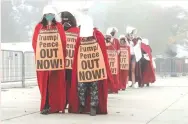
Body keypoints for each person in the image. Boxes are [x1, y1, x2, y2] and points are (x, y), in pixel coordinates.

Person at [68, 15, 114, 116]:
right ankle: (82, 104)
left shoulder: (98, 35)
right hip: (83, 69)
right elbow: (77, 53)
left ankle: (93, 106)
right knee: (81, 87)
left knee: (94, 88)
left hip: (95, 69)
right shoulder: (80, 38)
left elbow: (103, 53)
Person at [32, 5, 66, 114]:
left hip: (56, 62)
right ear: (44, 16)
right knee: (44, 85)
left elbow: (63, 42)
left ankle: (54, 106)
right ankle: (46, 105)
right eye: (47, 15)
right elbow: (35, 42)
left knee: (55, 84)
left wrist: (61, 56)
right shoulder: (39, 27)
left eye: (51, 15)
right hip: (44, 63)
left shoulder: (59, 26)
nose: (49, 16)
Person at [60, 11, 80, 108]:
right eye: (63, 20)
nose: (65, 23)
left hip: (73, 62)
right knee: (63, 82)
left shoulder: (77, 30)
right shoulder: (60, 30)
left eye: (67, 20)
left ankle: (71, 101)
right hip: (62, 62)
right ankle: (63, 101)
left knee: (72, 83)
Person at [105, 27, 120, 92]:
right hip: (108, 59)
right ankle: (108, 88)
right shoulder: (106, 39)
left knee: (114, 74)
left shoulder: (116, 40)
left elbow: (118, 49)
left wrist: (117, 52)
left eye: (114, 32)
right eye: (112, 32)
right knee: (108, 73)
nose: (113, 33)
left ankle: (115, 88)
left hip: (114, 60)